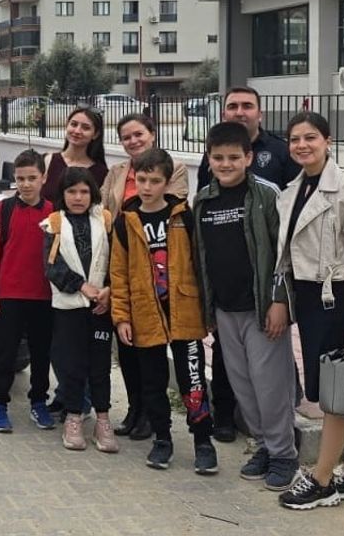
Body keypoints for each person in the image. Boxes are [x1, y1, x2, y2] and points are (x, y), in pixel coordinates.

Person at [276, 112, 344, 510]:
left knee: (334, 394)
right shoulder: (293, 190)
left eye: (310, 137)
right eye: (295, 139)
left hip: (336, 299)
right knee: (342, 389)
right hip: (307, 299)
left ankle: (322, 479)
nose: (302, 145)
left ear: (328, 141)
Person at [192, 122, 298, 491]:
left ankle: (285, 454)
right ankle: (266, 446)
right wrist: (208, 311)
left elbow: (284, 254)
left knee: (271, 384)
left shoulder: (267, 195)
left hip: (261, 307)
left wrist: (280, 302)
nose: (225, 164)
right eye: (218, 158)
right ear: (209, 159)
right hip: (225, 310)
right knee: (243, 385)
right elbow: (202, 257)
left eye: (234, 157)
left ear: (248, 157)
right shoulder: (203, 199)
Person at [109, 148, 217, 475]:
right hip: (145, 317)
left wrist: (207, 313)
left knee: (193, 382)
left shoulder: (184, 216)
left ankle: (203, 442)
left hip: (184, 316)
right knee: (152, 384)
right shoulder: (126, 222)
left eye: (154, 181)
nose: (146, 187)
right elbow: (118, 274)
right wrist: (122, 317)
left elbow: (201, 265)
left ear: (167, 182)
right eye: (141, 179)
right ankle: (162, 440)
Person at [101, 113, 189, 441]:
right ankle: (135, 408)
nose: (133, 141)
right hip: (120, 259)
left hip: (157, 266)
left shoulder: (173, 167)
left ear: (152, 134)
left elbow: (171, 204)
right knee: (127, 346)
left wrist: (129, 215)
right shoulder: (115, 172)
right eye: (126, 137)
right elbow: (103, 211)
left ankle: (154, 417)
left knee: (151, 349)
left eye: (138, 134)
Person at [40, 167, 118, 453]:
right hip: (69, 307)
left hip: (101, 306)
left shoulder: (105, 220)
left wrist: (108, 290)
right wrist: (81, 286)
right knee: (71, 364)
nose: (78, 197)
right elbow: (51, 266)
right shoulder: (54, 224)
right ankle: (73, 417)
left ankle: (103, 420)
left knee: (100, 365)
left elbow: (116, 260)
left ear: (92, 193)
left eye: (84, 191)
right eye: (72, 191)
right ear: (62, 194)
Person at [0, 149, 55, 433]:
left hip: (43, 295)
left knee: (41, 354)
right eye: (20, 178)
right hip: (9, 294)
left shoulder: (53, 213)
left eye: (32, 178)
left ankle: (39, 402)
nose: (25, 184)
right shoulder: (4, 209)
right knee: (5, 353)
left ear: (44, 178)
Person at [41, 106, 109, 204]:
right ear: (66, 125)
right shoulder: (47, 161)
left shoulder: (101, 173)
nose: (77, 131)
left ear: (96, 134)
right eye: (74, 124)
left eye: (85, 128)